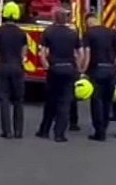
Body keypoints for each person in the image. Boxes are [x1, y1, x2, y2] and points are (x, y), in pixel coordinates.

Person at [35, 8, 82, 143]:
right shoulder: (73, 34)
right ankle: (59, 134)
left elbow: (42, 52)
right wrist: (78, 68)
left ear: (54, 18)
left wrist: (45, 65)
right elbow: (80, 53)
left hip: (54, 69)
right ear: (66, 19)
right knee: (65, 102)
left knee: (51, 101)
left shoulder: (49, 32)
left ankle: (44, 130)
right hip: (69, 69)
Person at [83, 13, 116, 141]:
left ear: (88, 22)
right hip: (110, 70)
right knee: (108, 101)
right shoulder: (111, 32)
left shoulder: (89, 34)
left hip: (97, 70)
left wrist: (83, 70)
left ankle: (99, 131)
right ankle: (105, 127)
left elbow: (87, 54)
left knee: (97, 101)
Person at [0, 1, 27, 139]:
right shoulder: (21, 33)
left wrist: (2, 57)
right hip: (17, 67)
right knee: (18, 100)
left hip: (4, 66)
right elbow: (24, 52)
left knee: (4, 99)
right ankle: (19, 131)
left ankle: (7, 131)